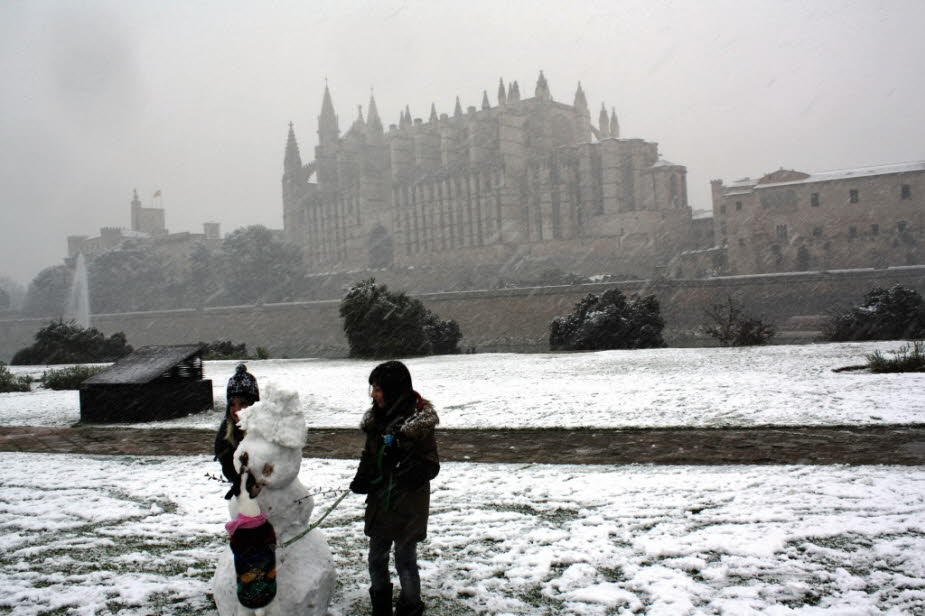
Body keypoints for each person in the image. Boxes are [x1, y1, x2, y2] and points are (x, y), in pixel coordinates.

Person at [350, 361, 440, 616]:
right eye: (373, 389)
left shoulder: (417, 423)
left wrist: (402, 463)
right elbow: (369, 456)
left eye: (378, 389)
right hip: (381, 503)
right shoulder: (376, 421)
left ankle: (410, 607)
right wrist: (362, 477)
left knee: (404, 559)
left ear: (394, 390)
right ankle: (380, 606)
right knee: (376, 556)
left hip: (408, 505)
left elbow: (430, 465)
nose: (373, 394)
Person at [214, 363, 260, 500]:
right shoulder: (225, 434)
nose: (236, 410)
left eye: (242, 404)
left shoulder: (265, 429)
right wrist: (247, 484)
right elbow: (228, 467)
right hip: (245, 496)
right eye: (232, 404)